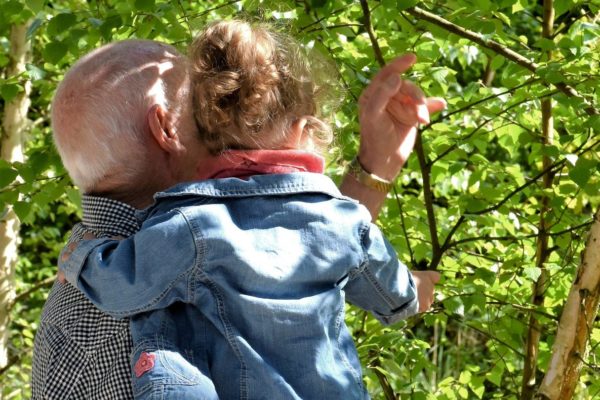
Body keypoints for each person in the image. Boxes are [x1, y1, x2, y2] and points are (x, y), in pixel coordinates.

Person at [57, 20, 443, 400]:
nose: (220, 115)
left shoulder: (184, 233)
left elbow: (279, 237)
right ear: (167, 129)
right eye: (203, 105)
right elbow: (328, 247)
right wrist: (418, 287)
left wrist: (77, 254)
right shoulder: (109, 335)